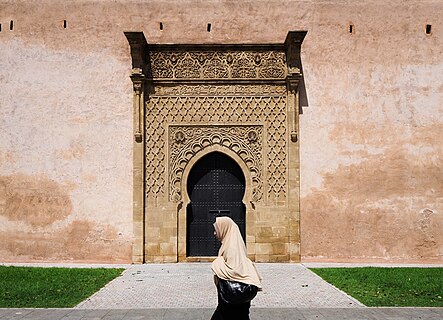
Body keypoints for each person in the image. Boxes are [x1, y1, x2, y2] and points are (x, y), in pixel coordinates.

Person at [211, 216, 262, 320]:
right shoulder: (231, 244)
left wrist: (217, 263)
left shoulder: (232, 248)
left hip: (230, 305)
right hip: (238, 304)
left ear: (224, 229)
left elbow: (234, 271)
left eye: (216, 230)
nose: (214, 233)